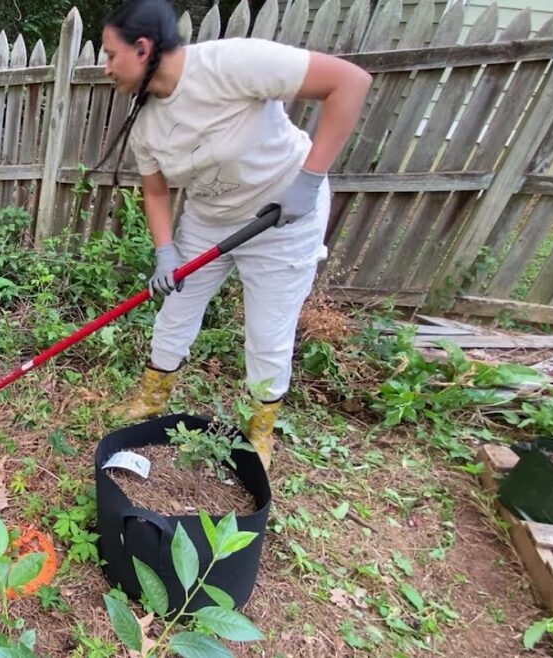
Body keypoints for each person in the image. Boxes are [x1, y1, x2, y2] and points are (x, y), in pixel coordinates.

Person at [99, 0, 372, 470]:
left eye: (109, 54)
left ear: (142, 49)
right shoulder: (147, 123)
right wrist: (166, 251)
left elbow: (349, 82)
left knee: (268, 332)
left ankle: (260, 432)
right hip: (211, 219)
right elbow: (156, 191)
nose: (106, 68)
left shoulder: (230, 63)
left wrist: (308, 180)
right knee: (175, 311)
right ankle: (151, 397)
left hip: (282, 216)